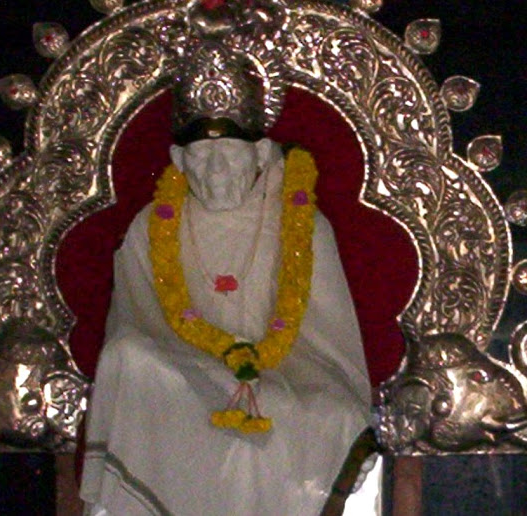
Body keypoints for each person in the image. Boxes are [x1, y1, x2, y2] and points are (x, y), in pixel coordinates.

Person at [80, 39, 372, 516]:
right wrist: (211, 369)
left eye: (230, 153)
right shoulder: (150, 226)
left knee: (330, 415)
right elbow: (137, 321)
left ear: (261, 154)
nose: (216, 170)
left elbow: (328, 340)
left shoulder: (302, 223)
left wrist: (259, 369)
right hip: (183, 375)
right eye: (201, 155)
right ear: (178, 160)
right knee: (125, 355)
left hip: (285, 376)